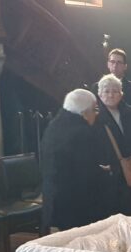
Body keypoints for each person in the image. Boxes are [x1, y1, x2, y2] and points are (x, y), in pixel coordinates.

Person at [40, 89, 103, 230]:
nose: (96, 114)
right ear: (84, 113)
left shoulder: (54, 125)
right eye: (94, 110)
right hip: (74, 201)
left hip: (52, 195)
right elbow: (86, 172)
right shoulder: (82, 132)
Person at [94, 74, 131, 216]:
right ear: (99, 94)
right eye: (106, 91)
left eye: (115, 91)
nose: (111, 95)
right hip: (109, 172)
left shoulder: (128, 111)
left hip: (130, 167)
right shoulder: (95, 116)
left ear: (121, 94)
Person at [92, 48, 131, 116]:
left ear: (125, 66)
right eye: (112, 62)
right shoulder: (96, 87)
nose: (115, 65)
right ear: (108, 64)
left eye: (119, 62)